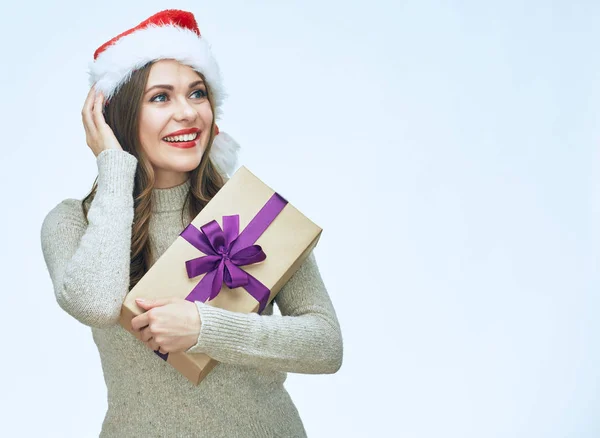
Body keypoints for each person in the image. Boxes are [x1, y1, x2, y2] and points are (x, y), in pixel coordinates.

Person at [40, 9, 343, 438]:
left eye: (197, 93)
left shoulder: (251, 212)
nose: (187, 113)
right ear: (119, 116)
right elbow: (96, 305)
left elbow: (326, 345)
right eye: (160, 97)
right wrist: (113, 165)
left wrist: (205, 328)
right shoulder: (75, 221)